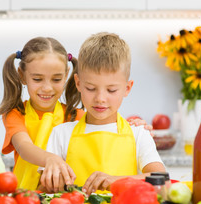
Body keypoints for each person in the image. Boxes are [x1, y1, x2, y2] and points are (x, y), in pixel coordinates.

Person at [0, 37, 152, 193]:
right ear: (22, 76)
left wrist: (136, 126)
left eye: (56, 79)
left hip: (56, 195)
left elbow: (106, 125)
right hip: (26, 194)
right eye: (37, 79)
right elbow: (24, 147)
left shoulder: (75, 116)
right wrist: (51, 159)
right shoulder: (15, 114)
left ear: (66, 76)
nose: (47, 88)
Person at [45, 32, 166, 195]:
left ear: (127, 88)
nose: (100, 98)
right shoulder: (60, 134)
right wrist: (53, 183)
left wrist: (116, 180)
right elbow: (45, 189)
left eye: (111, 90)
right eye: (91, 88)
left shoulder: (138, 133)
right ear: (78, 83)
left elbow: (162, 179)